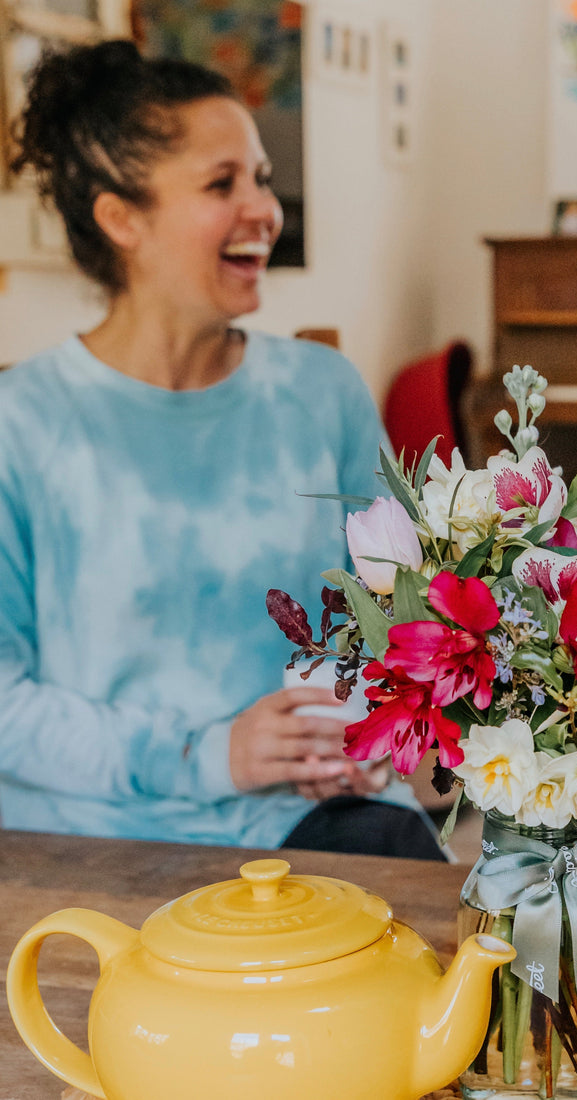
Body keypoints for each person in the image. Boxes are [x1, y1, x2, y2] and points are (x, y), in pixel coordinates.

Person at [0, 40, 443, 860]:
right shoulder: (20, 425)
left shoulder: (322, 392)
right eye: (221, 184)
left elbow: (413, 609)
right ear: (120, 217)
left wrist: (368, 730)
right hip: (83, 832)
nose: (264, 211)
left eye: (263, 180)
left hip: (301, 818)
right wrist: (207, 755)